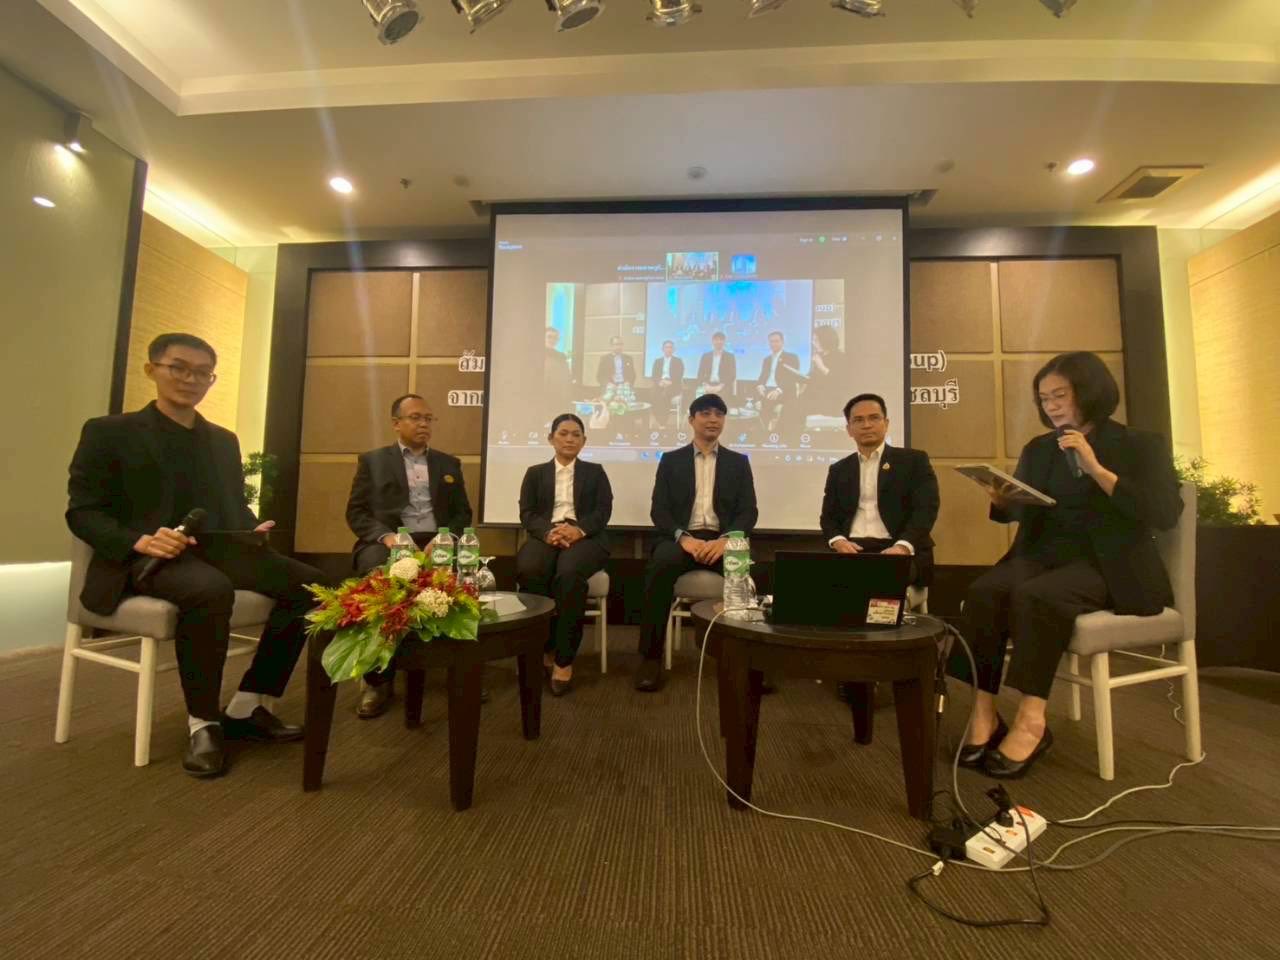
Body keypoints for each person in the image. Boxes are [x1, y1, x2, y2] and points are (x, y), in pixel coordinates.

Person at [66, 333, 326, 778]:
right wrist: (140, 541)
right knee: (210, 590)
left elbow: (233, 507)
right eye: (179, 368)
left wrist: (250, 528)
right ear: (152, 369)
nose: (191, 379)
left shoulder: (222, 440)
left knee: (311, 586)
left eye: (202, 373)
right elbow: (83, 512)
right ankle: (203, 723)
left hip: (216, 550)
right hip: (146, 558)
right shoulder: (109, 432)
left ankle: (246, 705)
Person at [958, 351, 1182, 779]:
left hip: (1109, 563)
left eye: (1060, 395)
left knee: (1038, 597)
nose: (1052, 406)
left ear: (1089, 391)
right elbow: (1022, 512)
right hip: (1044, 554)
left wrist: (1096, 468)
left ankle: (1032, 721)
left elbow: (1164, 512)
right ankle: (984, 713)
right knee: (983, 591)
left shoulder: (1140, 444)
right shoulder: (1040, 449)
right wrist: (1003, 500)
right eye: (1044, 399)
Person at [345, 393, 474, 719]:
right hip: (389, 539)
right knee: (377, 575)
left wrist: (445, 536)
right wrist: (388, 537)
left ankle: (460, 670)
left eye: (428, 418)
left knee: (464, 571)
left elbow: (462, 513)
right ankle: (377, 680)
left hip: (435, 537)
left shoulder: (448, 464)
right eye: (416, 417)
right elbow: (357, 512)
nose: (423, 424)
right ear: (396, 423)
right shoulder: (373, 461)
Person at [635, 394, 758, 692]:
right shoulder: (671, 460)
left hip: (722, 540)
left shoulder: (738, 462)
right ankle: (650, 658)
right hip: (682, 539)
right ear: (691, 420)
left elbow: (748, 511)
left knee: (747, 577)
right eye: (705, 413)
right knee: (658, 569)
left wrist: (726, 539)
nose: (713, 419)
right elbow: (659, 511)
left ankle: (751, 661)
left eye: (719, 414)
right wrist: (683, 538)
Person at [516, 414, 613, 696]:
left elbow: (603, 511)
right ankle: (544, 647)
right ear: (551, 439)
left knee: (569, 574)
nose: (570, 439)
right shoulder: (535, 473)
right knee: (530, 569)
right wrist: (549, 532)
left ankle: (564, 659)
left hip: (586, 537)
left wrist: (578, 530)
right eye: (563, 433)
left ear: (584, 441)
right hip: (546, 534)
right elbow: (527, 513)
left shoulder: (595, 472)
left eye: (576, 434)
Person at [820, 393, 940, 583]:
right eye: (858, 420)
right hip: (852, 550)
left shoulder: (913, 461)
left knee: (879, 582)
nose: (866, 425)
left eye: (874, 418)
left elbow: (926, 510)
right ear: (849, 429)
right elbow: (828, 518)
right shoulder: (839, 469)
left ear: (886, 423)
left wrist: (902, 547)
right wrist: (838, 541)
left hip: (897, 549)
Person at [754, 331, 801, 432]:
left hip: (784, 390)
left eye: (776, 341)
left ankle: (770, 433)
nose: (773, 344)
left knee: (767, 403)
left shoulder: (791, 357)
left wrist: (778, 390)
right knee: (754, 403)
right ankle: (761, 432)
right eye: (771, 341)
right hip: (768, 389)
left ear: (782, 342)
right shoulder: (767, 359)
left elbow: (791, 378)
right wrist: (760, 385)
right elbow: (762, 377)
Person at [803, 326, 848, 422]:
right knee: (792, 404)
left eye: (816, 340)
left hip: (831, 401)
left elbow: (838, 382)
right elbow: (812, 378)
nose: (813, 343)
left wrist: (821, 366)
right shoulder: (820, 357)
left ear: (825, 340)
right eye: (813, 340)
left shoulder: (840, 357)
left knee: (795, 407)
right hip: (815, 398)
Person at [649, 340, 686, 428]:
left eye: (670, 347)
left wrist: (670, 382)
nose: (668, 349)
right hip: (660, 384)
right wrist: (659, 382)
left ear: (673, 349)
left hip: (673, 385)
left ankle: (662, 422)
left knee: (664, 395)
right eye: (666, 347)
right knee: (653, 395)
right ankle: (660, 420)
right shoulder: (657, 361)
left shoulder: (678, 361)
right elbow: (654, 375)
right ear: (662, 349)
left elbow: (679, 375)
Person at [543, 327, 573, 422]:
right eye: (549, 337)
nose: (552, 340)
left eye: (555, 338)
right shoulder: (534, 354)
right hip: (541, 396)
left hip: (557, 397)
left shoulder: (561, 356)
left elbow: (567, 377)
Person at [695, 331, 736, 399]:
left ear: (724, 342)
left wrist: (720, 386)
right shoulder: (705, 356)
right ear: (712, 341)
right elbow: (700, 373)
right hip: (707, 385)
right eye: (716, 340)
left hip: (723, 386)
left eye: (721, 340)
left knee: (721, 400)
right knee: (702, 399)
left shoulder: (730, 357)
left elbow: (732, 375)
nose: (718, 342)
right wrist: (705, 385)